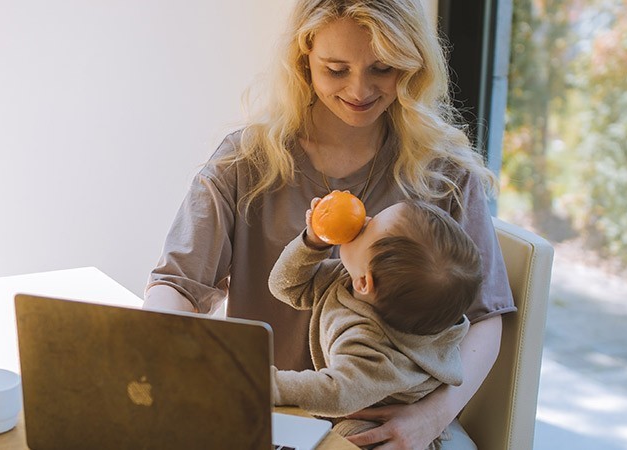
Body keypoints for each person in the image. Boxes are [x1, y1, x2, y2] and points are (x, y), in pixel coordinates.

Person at [144, 0, 514, 448]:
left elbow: (485, 318)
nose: (359, 90)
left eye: (383, 68)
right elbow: (178, 284)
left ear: (412, 65)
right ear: (305, 61)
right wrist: (165, 359)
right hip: (266, 410)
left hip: (386, 424)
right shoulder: (245, 162)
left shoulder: (445, 173)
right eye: (336, 69)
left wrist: (429, 417)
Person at [269, 199, 481, 449]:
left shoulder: (372, 347)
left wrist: (270, 385)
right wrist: (313, 242)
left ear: (365, 283)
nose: (365, 220)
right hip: (359, 404)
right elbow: (286, 286)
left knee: (349, 438)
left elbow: (337, 391)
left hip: (385, 424)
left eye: (369, 227)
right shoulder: (350, 279)